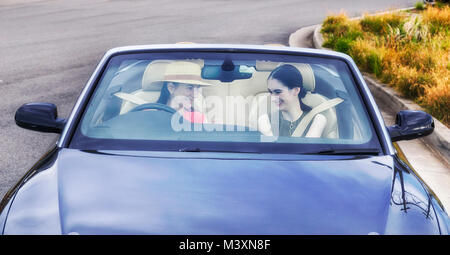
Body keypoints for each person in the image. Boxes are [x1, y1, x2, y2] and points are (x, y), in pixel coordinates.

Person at [267, 64, 327, 137]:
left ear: (296, 90)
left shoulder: (317, 120)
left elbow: (307, 148)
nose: (273, 99)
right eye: (270, 92)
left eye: (278, 92)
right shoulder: (266, 120)